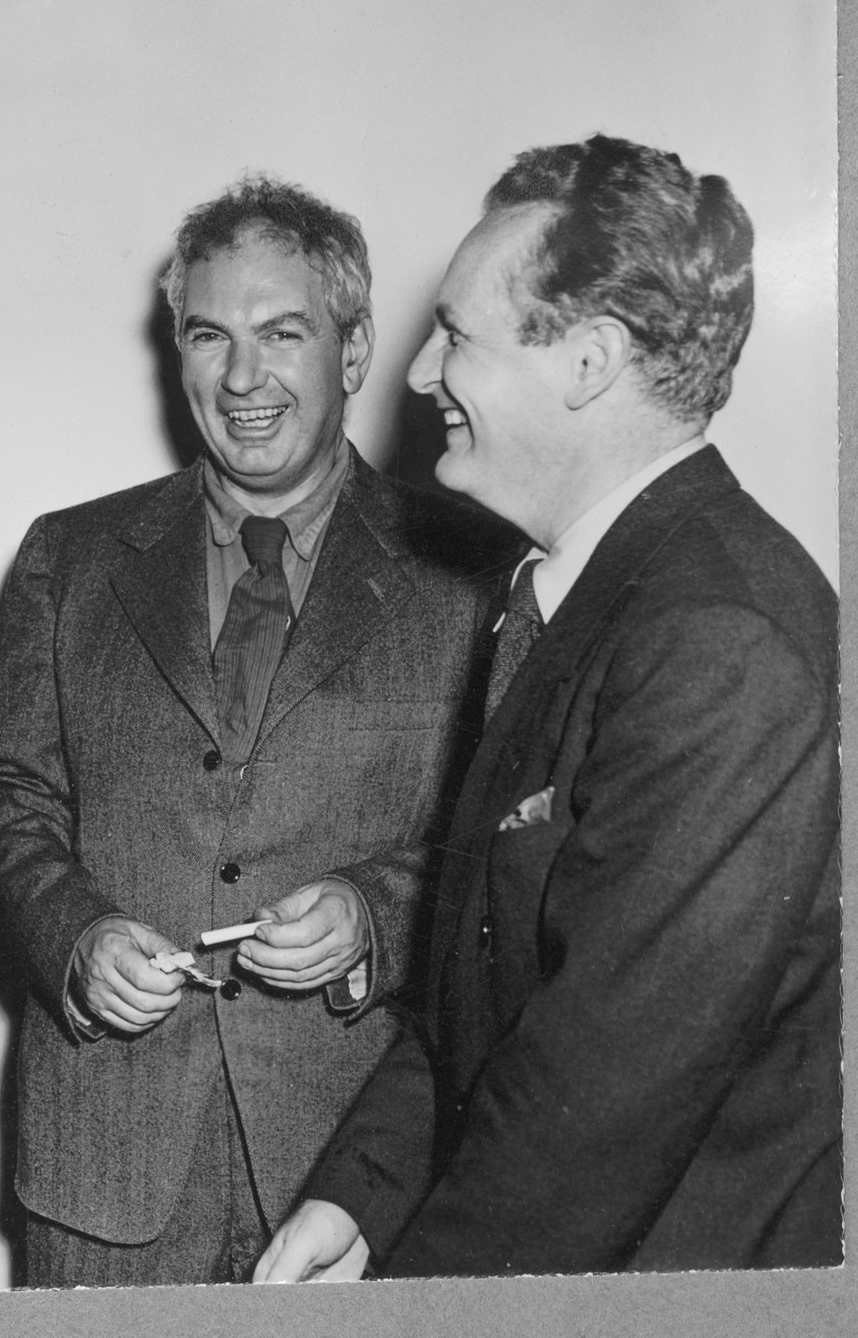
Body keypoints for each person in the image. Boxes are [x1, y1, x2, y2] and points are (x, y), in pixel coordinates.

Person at [257, 135, 839, 1281]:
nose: (418, 375)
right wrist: (356, 1199)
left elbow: (589, 1105)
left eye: (456, 337)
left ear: (588, 361)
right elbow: (478, 986)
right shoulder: (574, 594)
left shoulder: (716, 638)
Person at [0, 177, 508, 1287]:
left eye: (281, 334)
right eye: (209, 336)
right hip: (105, 1177)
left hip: (356, 1170)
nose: (242, 378)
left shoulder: (472, 567)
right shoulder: (69, 557)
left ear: (351, 354)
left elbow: (492, 843)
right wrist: (74, 937)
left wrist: (367, 917)